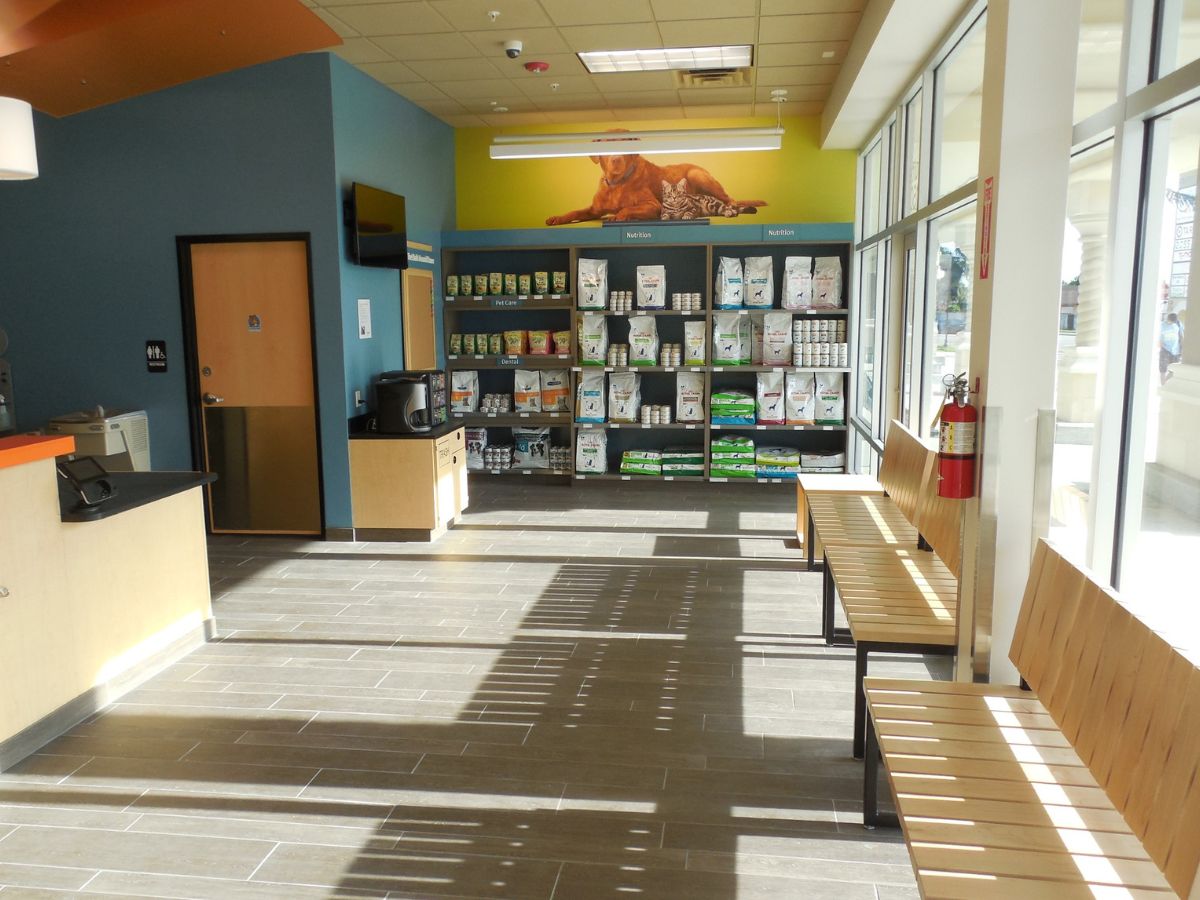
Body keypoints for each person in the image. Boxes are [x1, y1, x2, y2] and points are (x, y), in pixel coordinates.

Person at [1160, 312, 1183, 384]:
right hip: (1165, 349)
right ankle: (1163, 384)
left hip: (1175, 350)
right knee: (1163, 369)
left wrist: (1182, 349)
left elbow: (1181, 336)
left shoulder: (1178, 324)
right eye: (1171, 321)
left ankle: (1165, 381)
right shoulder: (1162, 325)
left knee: (1174, 370)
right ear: (1168, 319)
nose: (1172, 323)